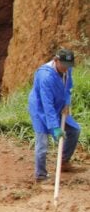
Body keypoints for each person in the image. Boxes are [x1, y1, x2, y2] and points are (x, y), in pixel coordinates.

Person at [28, 49, 82, 182]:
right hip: (40, 109)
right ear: (56, 60)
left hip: (59, 105)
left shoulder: (66, 69)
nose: (66, 68)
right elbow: (47, 105)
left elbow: (68, 87)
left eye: (68, 66)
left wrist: (67, 103)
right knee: (43, 143)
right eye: (63, 65)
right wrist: (55, 127)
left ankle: (63, 161)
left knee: (75, 130)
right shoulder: (46, 77)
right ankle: (40, 175)